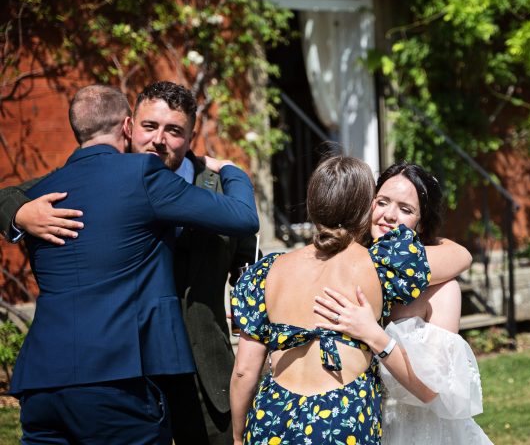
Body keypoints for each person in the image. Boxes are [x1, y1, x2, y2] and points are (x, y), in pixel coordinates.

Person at [0, 81, 257, 444]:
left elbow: (246, 250)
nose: (158, 140)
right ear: (128, 125)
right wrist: (20, 213)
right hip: (127, 372)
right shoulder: (92, 181)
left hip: (200, 379)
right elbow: (7, 196)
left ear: (190, 136)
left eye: (173, 131)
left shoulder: (213, 188)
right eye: (149, 127)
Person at [229, 155, 436, 445]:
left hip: (273, 418)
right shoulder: (383, 265)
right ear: (366, 208)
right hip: (343, 418)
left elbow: (243, 370)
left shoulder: (266, 272)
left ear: (312, 205)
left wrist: (238, 437)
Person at [314, 161, 492, 444]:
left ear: (421, 224)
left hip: (415, 431)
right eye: (382, 202)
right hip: (352, 423)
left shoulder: (442, 289)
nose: (389, 215)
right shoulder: (347, 264)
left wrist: (375, 338)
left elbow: (434, 391)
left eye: (406, 209)